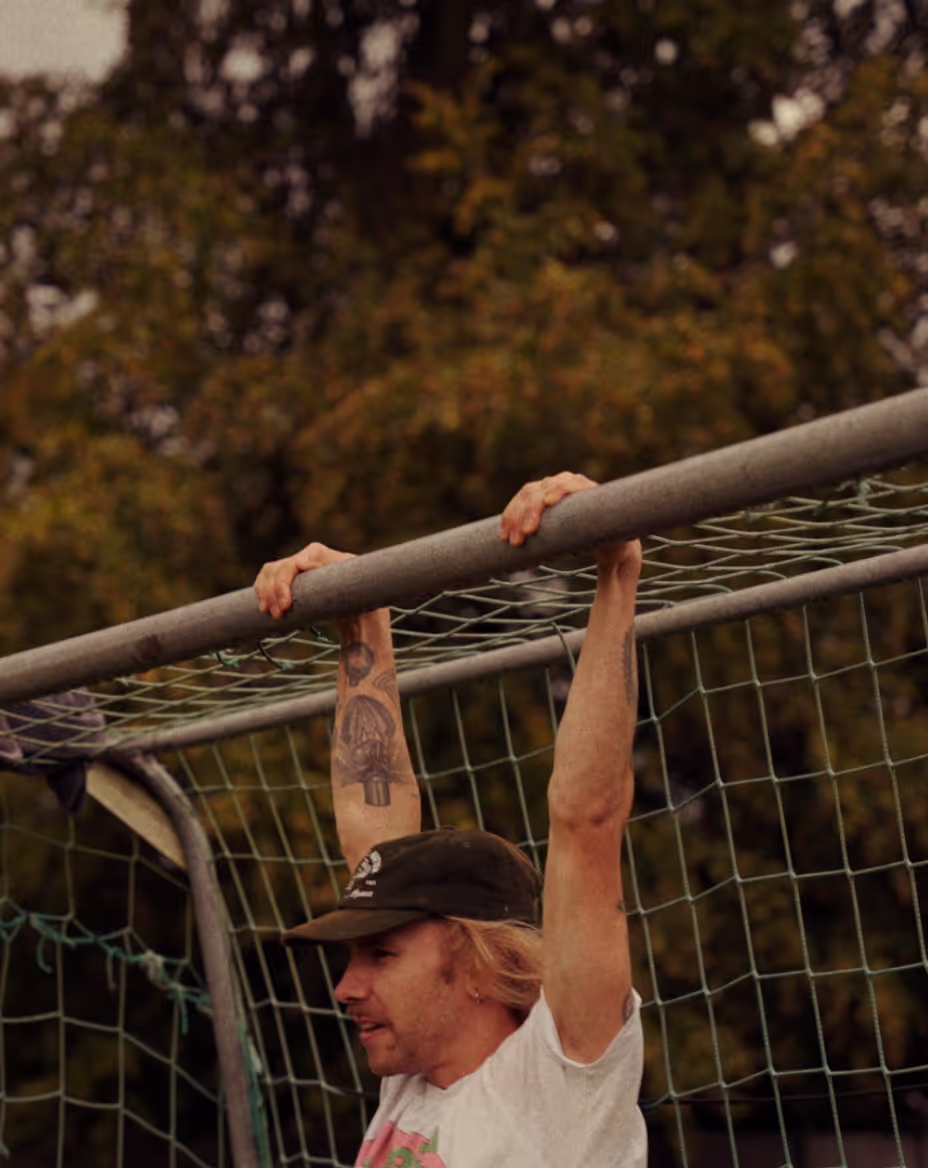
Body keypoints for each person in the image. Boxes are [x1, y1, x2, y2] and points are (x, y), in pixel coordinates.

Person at [254, 472, 647, 1168]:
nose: (345, 988)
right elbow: (374, 841)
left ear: (477, 965)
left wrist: (617, 568)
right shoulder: (417, 1078)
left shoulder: (558, 1081)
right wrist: (362, 617)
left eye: (381, 955)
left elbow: (586, 820)